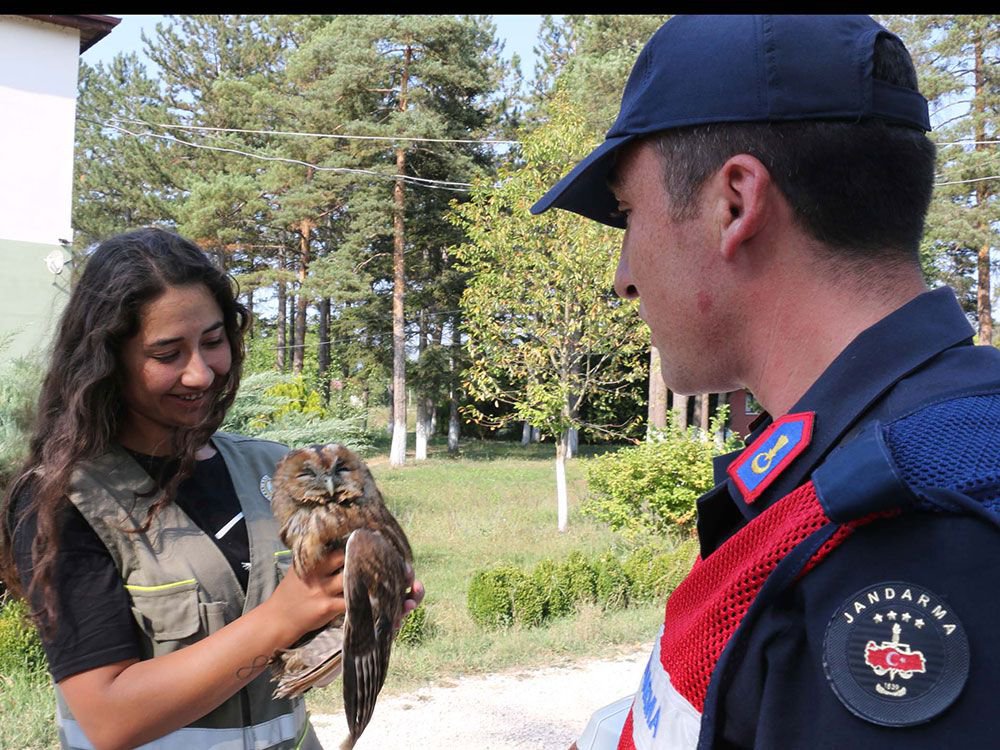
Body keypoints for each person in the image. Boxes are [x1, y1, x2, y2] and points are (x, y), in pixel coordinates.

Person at [531, 14, 1000, 750]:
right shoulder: (839, 471)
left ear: (735, 204)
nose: (623, 278)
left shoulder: (916, 524)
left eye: (627, 214)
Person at [0, 228, 424, 750]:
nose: (201, 374)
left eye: (213, 341)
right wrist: (287, 613)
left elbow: (293, 659)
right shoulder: (62, 502)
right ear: (108, 360)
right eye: (167, 353)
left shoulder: (272, 471)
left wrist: (360, 614)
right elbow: (109, 720)